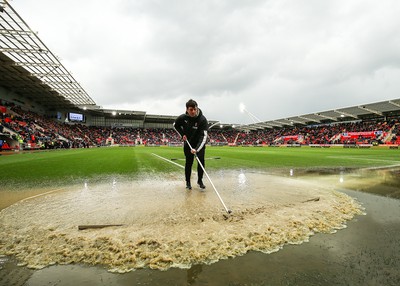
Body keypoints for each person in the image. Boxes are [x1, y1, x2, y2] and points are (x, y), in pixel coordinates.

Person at [173, 99, 208, 190]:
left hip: (199, 144)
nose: (193, 111)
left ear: (197, 108)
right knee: (189, 163)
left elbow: (203, 137)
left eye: (194, 109)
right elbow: (175, 125)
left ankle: (200, 180)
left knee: (201, 162)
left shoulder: (202, 120)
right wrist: (182, 134)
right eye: (191, 109)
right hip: (188, 144)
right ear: (187, 109)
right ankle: (188, 182)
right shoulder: (183, 118)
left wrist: (196, 149)